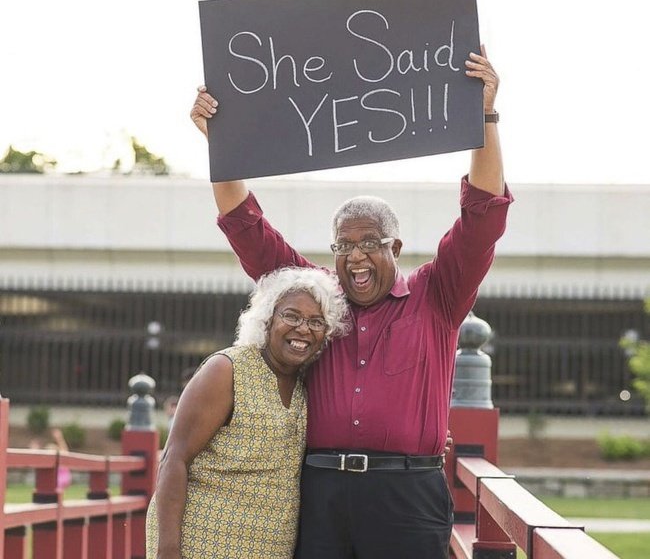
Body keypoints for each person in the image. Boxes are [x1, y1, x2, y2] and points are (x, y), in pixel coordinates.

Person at [190, 46, 512, 558]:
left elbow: (484, 215)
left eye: (369, 243)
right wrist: (221, 143)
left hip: (407, 498)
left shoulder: (438, 293)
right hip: (321, 493)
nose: (354, 257)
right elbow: (248, 229)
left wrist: (486, 116)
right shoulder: (314, 299)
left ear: (395, 248)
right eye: (342, 245)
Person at [145, 267, 349, 559]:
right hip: (201, 543)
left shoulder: (309, 383)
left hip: (269, 549)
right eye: (291, 316)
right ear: (267, 319)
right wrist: (167, 551)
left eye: (316, 321)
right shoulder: (227, 370)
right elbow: (174, 459)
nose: (303, 328)